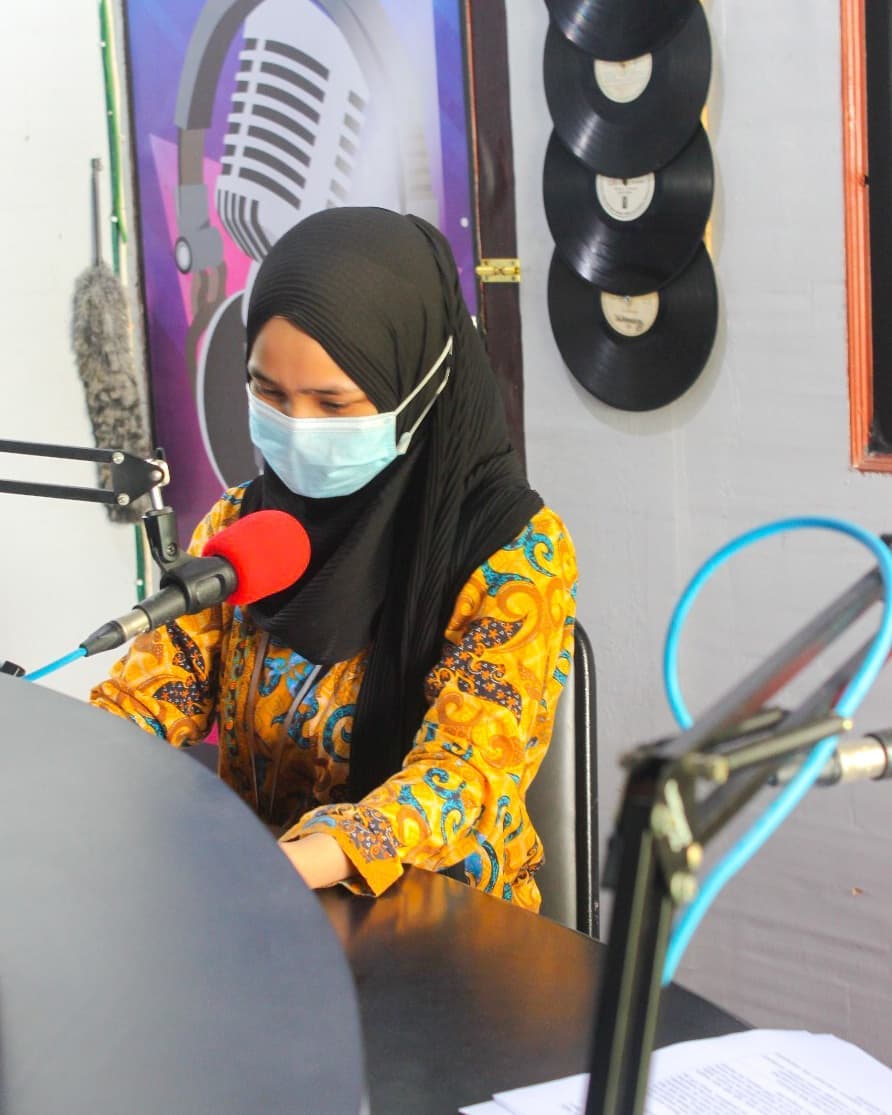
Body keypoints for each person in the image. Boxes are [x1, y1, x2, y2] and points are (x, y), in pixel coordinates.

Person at [91, 206, 577, 910]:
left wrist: (286, 866)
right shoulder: (243, 524)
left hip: (443, 925)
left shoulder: (514, 556)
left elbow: (460, 776)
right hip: (257, 899)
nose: (297, 428)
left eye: (333, 403)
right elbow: (150, 697)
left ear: (418, 387)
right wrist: (65, 766)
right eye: (269, 393)